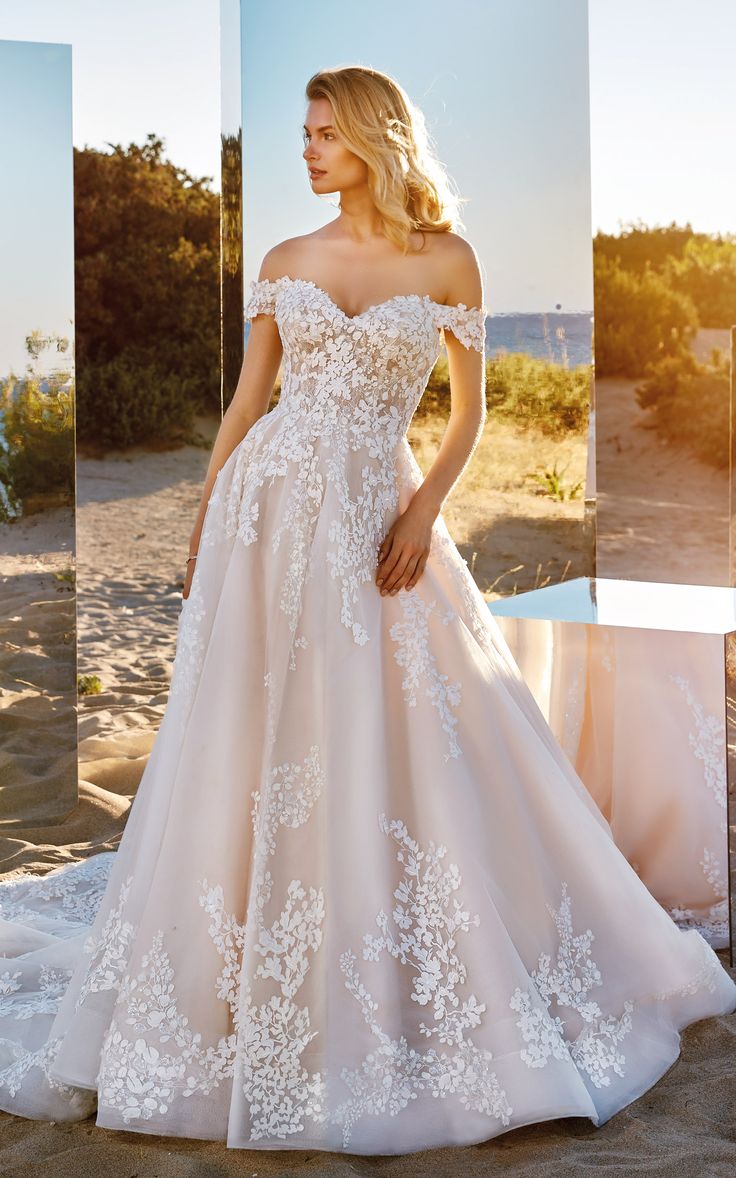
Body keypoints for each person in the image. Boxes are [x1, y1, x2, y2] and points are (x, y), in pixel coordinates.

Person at [0, 64, 734, 1158]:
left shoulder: (448, 259)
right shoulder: (286, 259)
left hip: (378, 514)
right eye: (301, 133)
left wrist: (424, 514)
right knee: (256, 727)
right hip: (268, 513)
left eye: (324, 134)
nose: (305, 151)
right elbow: (249, 402)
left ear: (376, 140)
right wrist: (207, 522)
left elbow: (470, 412)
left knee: (393, 724)